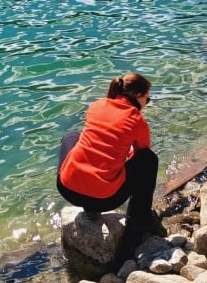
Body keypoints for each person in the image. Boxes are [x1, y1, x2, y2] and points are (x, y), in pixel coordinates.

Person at [56, 71, 162, 266]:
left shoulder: (96, 106)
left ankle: (89, 209)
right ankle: (139, 222)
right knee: (148, 160)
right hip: (104, 200)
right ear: (138, 96)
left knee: (72, 136)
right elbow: (141, 154)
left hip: (67, 189)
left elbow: (99, 141)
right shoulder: (137, 120)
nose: (148, 102)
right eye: (148, 98)